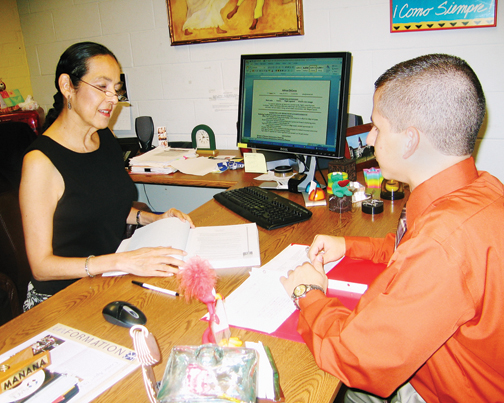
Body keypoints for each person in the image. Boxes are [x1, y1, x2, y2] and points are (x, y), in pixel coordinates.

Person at [280, 54, 504, 402]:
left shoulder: (442, 245)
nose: (369, 139)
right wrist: (349, 246)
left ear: (410, 140)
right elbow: (408, 248)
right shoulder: (482, 189)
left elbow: (354, 358)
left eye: (378, 128)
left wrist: (307, 294)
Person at [20, 42, 194, 311]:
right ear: (67, 86)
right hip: (60, 299)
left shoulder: (104, 138)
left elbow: (105, 206)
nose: (113, 99)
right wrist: (121, 261)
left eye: (116, 89)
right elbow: (42, 267)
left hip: (104, 281)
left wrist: (155, 218)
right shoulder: (40, 162)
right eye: (102, 87)